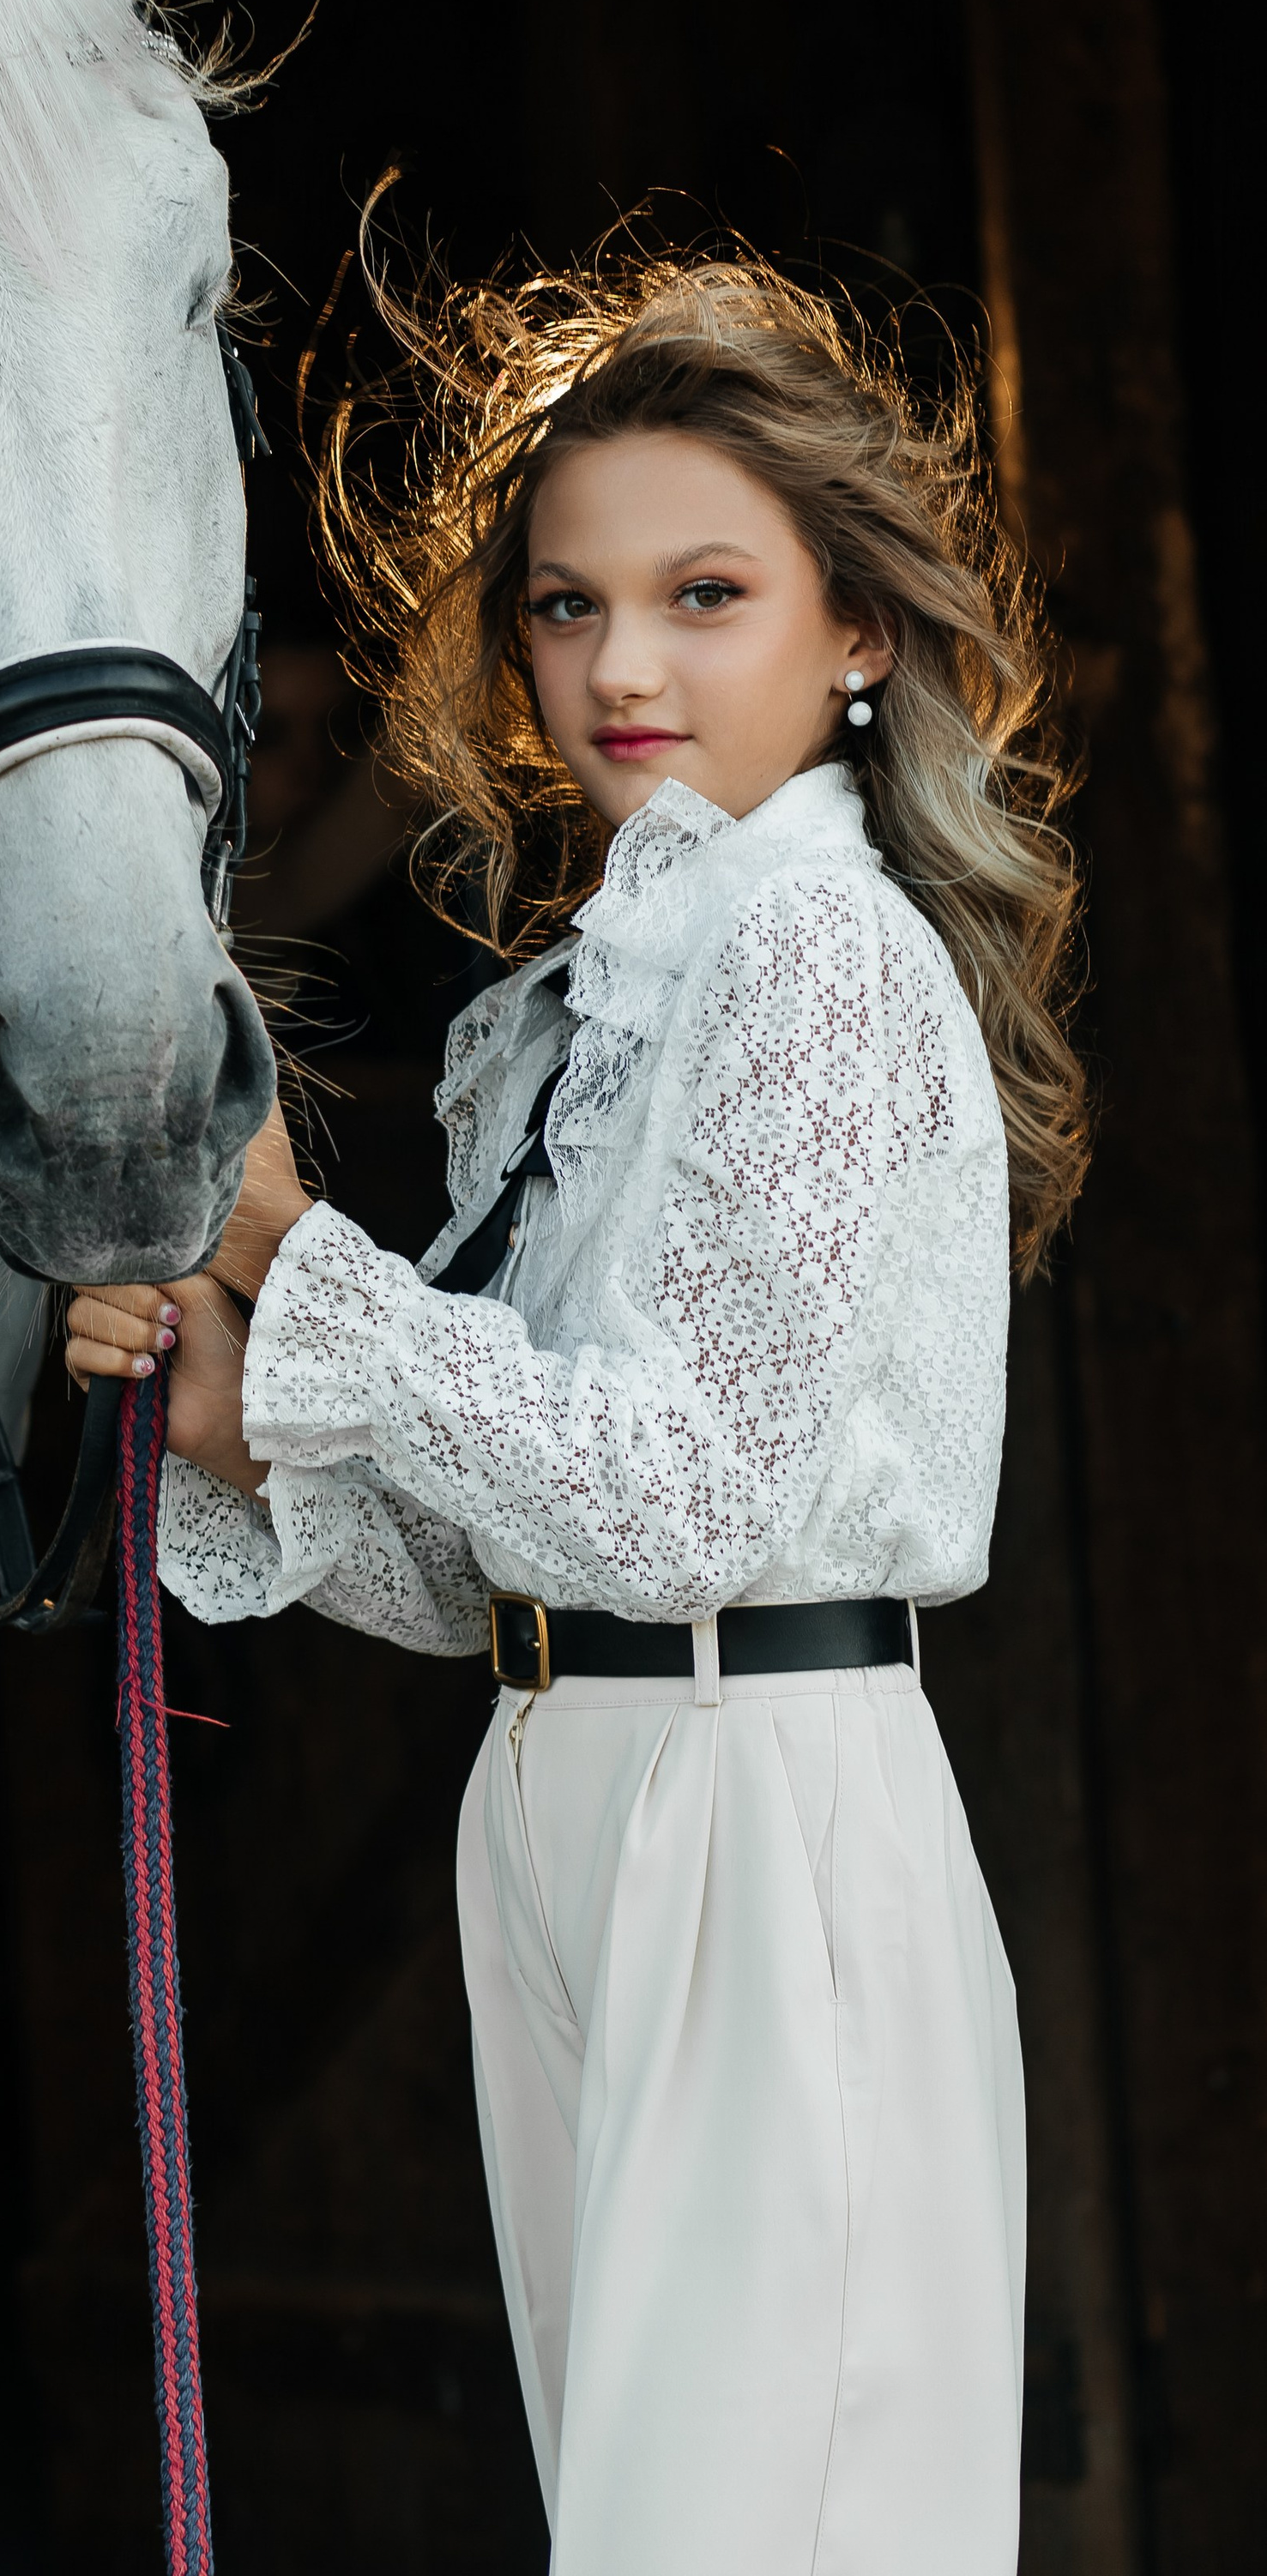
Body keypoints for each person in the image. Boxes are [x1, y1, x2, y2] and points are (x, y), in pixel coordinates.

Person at [66, 250, 1085, 2573]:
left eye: (702, 594)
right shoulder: (577, 1010)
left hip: (764, 1803)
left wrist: (301, 1255)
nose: (620, 665)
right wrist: (249, 1415)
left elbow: (695, 1491)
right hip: (575, 1789)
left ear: (856, 635)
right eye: (565, 605)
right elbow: (519, 1554)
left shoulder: (819, 950)